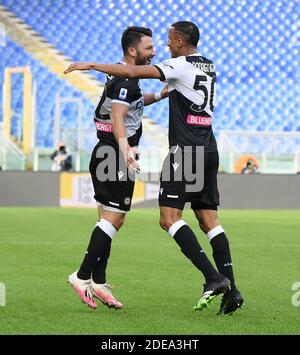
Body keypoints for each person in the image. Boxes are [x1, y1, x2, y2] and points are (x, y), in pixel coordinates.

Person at [64, 21, 244, 315]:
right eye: (153, 46)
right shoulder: (208, 65)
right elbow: (129, 101)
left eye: (170, 40)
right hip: (208, 148)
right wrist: (160, 96)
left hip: (185, 151)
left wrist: (92, 65)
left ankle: (213, 279)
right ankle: (231, 288)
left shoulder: (176, 65)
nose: (164, 46)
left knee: (168, 217)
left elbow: (133, 74)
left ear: (181, 42)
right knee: (209, 221)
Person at [66, 26, 167, 310]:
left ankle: (98, 281)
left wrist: (160, 96)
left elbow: (130, 103)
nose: (154, 52)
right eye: (149, 48)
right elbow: (119, 116)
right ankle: (82, 275)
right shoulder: (127, 80)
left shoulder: (120, 75)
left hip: (104, 151)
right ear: (132, 51)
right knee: (116, 220)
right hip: (115, 154)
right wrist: (126, 152)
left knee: (106, 220)